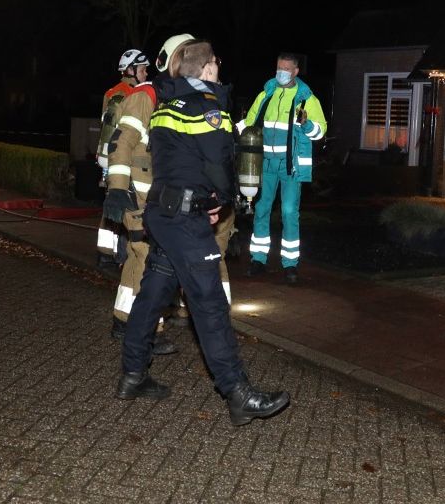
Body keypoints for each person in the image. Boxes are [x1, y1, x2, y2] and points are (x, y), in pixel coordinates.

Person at [116, 40, 290, 427]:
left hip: (160, 213)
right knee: (209, 305)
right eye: (216, 61)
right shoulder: (209, 109)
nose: (219, 66)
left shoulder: (164, 108)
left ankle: (132, 373)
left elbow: (172, 160)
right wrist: (224, 200)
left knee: (153, 295)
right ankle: (238, 392)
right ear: (207, 68)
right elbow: (218, 165)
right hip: (187, 221)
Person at [101, 39, 191, 356]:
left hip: (152, 194)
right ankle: (148, 329)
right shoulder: (146, 96)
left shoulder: (171, 98)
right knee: (149, 258)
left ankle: (124, 319)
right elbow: (122, 143)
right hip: (135, 194)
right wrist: (116, 188)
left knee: (138, 257)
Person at [238, 53, 327, 284]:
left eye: (287, 69)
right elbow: (248, 123)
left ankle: (290, 265)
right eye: (279, 68)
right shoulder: (266, 94)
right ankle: (258, 259)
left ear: (296, 71)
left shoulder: (307, 99)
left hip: (291, 167)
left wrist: (306, 123)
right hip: (265, 163)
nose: (282, 72)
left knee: (289, 212)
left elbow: (320, 132)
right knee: (262, 209)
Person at [95, 49, 150, 279]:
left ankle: (106, 252)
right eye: (142, 69)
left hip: (109, 156)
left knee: (113, 206)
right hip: (120, 158)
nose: (146, 73)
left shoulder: (111, 92)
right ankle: (114, 254)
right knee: (122, 206)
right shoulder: (130, 94)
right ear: (130, 70)